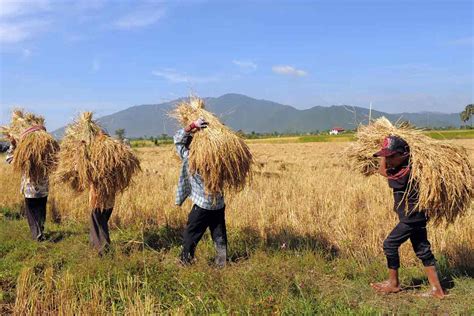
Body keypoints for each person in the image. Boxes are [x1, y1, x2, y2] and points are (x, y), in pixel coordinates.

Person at [370, 135, 445, 298]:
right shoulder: (408, 166)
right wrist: (385, 153)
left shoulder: (406, 172)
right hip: (417, 216)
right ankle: (437, 290)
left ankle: (394, 284)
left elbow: (382, 172)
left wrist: (383, 158)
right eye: (386, 157)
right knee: (423, 249)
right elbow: (387, 168)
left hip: (410, 218)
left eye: (391, 156)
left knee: (389, 244)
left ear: (404, 154)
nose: (388, 160)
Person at [174, 118, 227, 267]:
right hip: (218, 203)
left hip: (202, 205)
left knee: (191, 234)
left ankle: (185, 262)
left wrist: (192, 126)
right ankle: (221, 264)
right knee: (219, 235)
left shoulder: (192, 158)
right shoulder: (222, 159)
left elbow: (177, 141)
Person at [5, 127, 49, 241]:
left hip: (30, 190)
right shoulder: (46, 151)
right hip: (43, 189)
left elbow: (9, 159)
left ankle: (37, 235)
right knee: (41, 210)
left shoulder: (24, 154)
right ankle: (40, 231)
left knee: (31, 212)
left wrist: (13, 145)